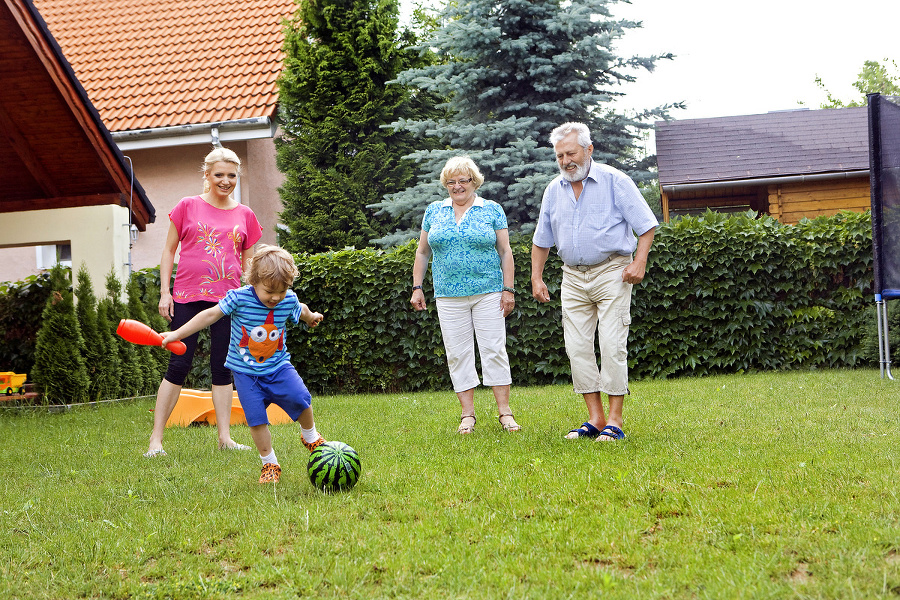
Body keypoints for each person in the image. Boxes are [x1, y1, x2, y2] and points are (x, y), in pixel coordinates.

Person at [531, 122, 657, 442]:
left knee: (612, 344)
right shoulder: (553, 190)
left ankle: (615, 421)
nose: (565, 161)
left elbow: (646, 226)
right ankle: (595, 418)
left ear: (589, 149)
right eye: (559, 155)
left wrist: (639, 261)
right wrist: (536, 277)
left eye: (571, 153)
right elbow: (542, 240)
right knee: (577, 348)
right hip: (572, 276)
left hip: (612, 270)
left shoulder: (616, 181)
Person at [161, 245, 326, 483]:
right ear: (254, 281)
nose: (276, 297)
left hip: (279, 367)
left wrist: (310, 317)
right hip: (246, 374)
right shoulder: (239, 298)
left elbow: (299, 309)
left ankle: (310, 436)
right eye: (270, 291)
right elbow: (209, 315)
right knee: (256, 420)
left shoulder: (287, 299)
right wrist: (177, 334)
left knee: (301, 398)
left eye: (282, 290)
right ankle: (270, 464)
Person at [144, 147, 262, 457]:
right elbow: (169, 250)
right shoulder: (186, 206)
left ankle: (225, 438)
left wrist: (251, 298)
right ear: (206, 175)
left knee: (224, 368)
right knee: (179, 364)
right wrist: (164, 292)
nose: (226, 181)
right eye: (219, 174)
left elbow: (249, 260)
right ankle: (156, 441)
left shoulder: (245, 215)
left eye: (232, 175)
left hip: (229, 301)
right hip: (187, 296)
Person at [411, 156, 520, 434]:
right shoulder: (434, 211)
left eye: (463, 180)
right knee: (457, 354)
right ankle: (467, 415)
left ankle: (505, 413)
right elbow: (423, 252)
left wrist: (508, 289)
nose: (457, 186)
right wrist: (417, 286)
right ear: (445, 184)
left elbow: (505, 251)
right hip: (448, 295)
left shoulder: (491, 209)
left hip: (489, 292)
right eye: (451, 181)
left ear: (474, 181)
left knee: (494, 350)